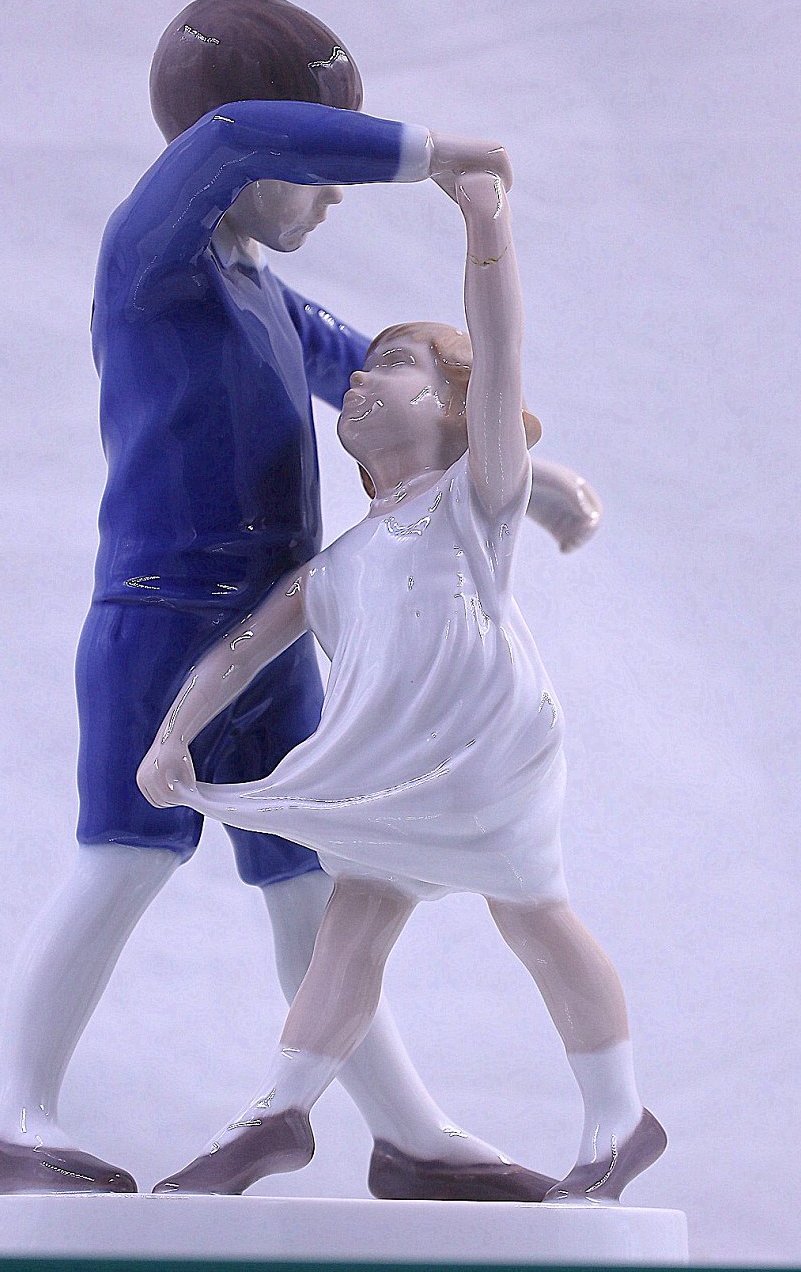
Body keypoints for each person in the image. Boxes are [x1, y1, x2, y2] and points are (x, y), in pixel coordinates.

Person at [0, 0, 601, 1198]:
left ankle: (407, 1136)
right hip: (160, 615)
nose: (333, 193)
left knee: (310, 877)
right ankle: (11, 1121)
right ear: (253, 158)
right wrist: (425, 154)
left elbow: (380, 376)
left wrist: (529, 475)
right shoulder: (153, 258)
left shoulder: (258, 287)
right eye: (321, 161)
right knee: (123, 856)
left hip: (269, 627)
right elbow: (233, 134)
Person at [139, 171, 665, 1202]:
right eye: (364, 363)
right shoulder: (335, 565)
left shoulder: (475, 499)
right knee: (353, 922)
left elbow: (501, 339)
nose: (362, 379)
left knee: (534, 917)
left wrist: (486, 221)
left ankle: (618, 1117)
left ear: (457, 406)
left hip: (485, 756)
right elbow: (242, 646)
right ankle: (278, 1115)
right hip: (386, 772)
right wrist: (171, 737)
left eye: (395, 363)